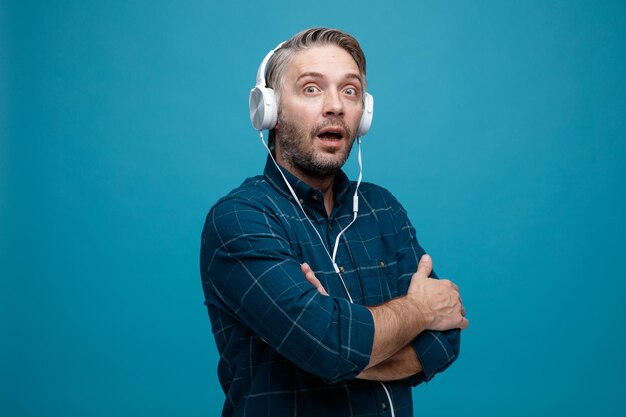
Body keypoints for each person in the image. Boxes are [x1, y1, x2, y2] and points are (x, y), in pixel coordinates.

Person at [200, 27, 468, 417]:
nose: (336, 106)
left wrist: (335, 342)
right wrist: (420, 310)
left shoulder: (382, 209)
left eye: (350, 91)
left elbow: (444, 342)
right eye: (311, 89)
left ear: (364, 114)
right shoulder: (240, 218)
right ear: (268, 110)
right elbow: (330, 347)